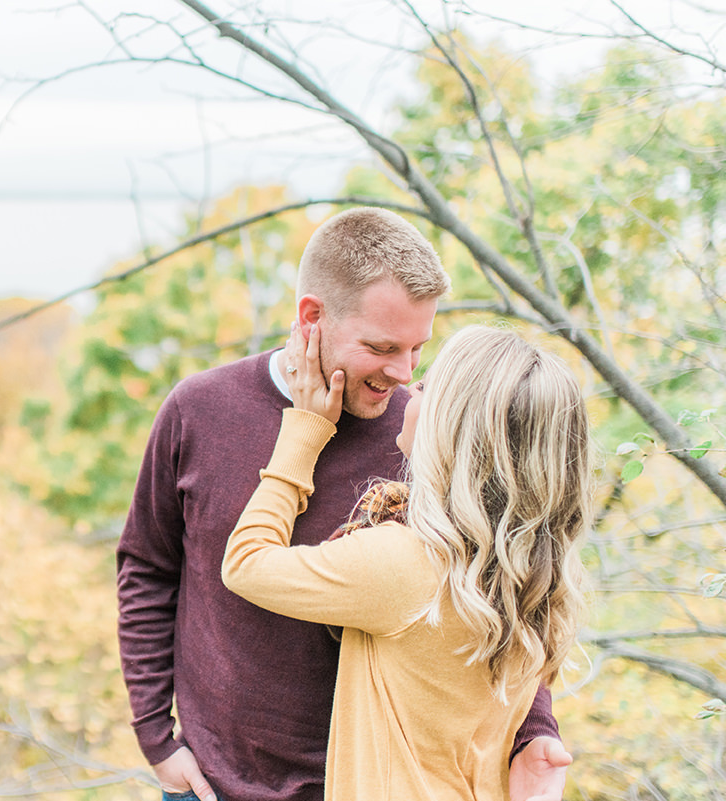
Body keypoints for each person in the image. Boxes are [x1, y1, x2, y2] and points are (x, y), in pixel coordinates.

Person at [116, 207, 572, 801]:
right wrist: (157, 737)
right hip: (208, 786)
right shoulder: (199, 410)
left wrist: (532, 731)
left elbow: (497, 582)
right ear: (312, 317)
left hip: (361, 784)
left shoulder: (426, 439)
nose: (403, 373)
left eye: (417, 349)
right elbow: (148, 570)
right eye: (382, 346)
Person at [221, 322, 591, 800]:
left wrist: (305, 429)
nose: (409, 389)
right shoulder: (534, 578)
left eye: (427, 385)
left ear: (449, 427)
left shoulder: (403, 564)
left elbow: (246, 561)